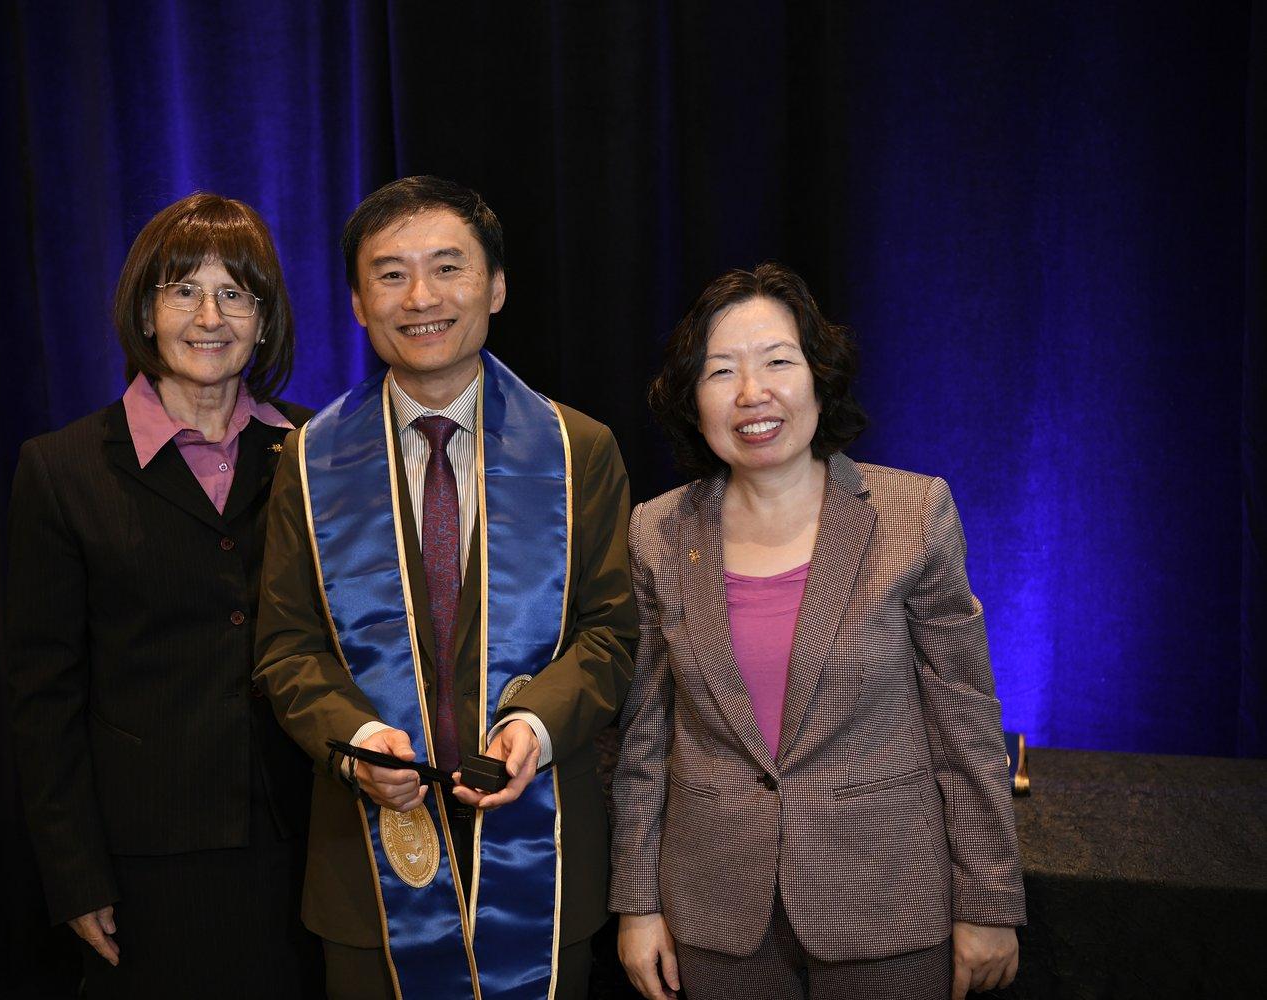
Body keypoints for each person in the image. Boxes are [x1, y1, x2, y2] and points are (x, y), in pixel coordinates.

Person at [255, 175, 636, 1000]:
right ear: (358, 302)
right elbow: (286, 647)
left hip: (547, 848)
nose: (420, 297)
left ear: (495, 286)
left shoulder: (579, 450)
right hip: (366, 868)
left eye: (448, 268)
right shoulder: (310, 461)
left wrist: (537, 723)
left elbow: (612, 632)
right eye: (390, 274)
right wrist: (352, 739)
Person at [611, 263, 1025, 1000]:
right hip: (715, 914)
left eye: (777, 362)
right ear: (692, 399)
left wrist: (990, 900)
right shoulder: (656, 531)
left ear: (818, 377)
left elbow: (965, 724)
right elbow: (645, 734)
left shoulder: (911, 512)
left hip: (885, 904)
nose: (752, 393)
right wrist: (637, 902)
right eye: (720, 372)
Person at [6, 192, 321, 998]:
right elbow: (43, 695)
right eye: (182, 290)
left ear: (265, 317)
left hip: (310, 840)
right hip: (146, 859)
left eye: (234, 293)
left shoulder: (318, 450)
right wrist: (73, 874)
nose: (208, 316)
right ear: (145, 312)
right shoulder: (62, 468)